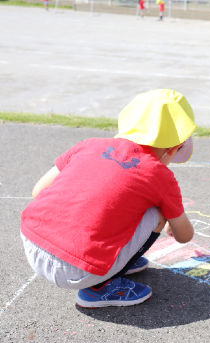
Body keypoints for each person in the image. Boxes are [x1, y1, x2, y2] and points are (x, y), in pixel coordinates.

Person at [20, 89, 196, 308]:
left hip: (32, 245)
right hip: (78, 271)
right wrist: (173, 219)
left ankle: (116, 261)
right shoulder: (158, 174)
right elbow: (185, 236)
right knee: (157, 211)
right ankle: (100, 287)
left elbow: (38, 191)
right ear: (173, 149)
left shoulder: (89, 144)